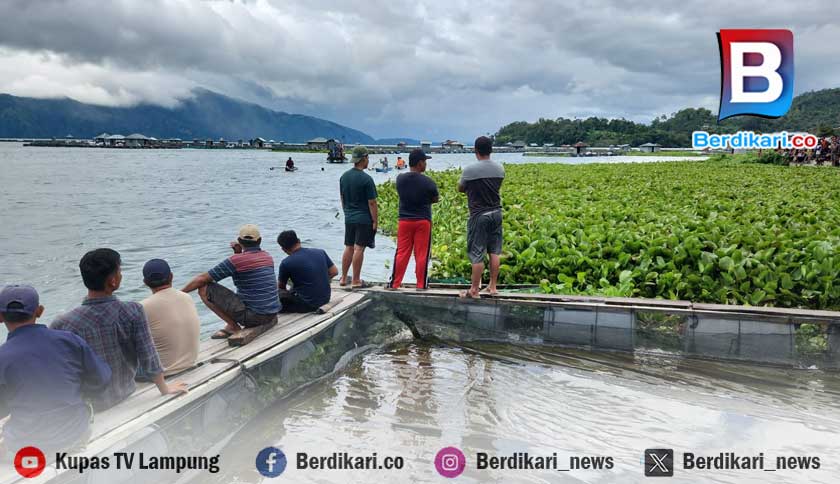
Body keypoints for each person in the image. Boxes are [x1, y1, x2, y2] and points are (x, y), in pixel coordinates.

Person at [51, 249, 187, 411]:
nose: (121, 275)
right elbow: (148, 355)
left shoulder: (64, 323)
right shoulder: (132, 311)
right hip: (124, 392)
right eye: (120, 271)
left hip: (89, 404)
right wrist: (164, 388)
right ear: (113, 281)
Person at [0, 285, 111, 459]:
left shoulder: (2, 356)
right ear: (40, 311)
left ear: (0, 317)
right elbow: (102, 379)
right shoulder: (69, 340)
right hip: (76, 433)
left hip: (26, 446)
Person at [182, 224, 281, 339]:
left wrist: (177, 293)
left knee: (204, 288)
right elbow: (247, 273)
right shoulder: (267, 257)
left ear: (239, 241)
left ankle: (233, 326)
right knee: (246, 289)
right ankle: (230, 325)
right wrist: (239, 253)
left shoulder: (235, 261)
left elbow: (202, 279)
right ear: (259, 240)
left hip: (255, 317)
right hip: (272, 312)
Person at [458, 136, 505, 299]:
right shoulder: (500, 169)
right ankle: (492, 287)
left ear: (476, 150)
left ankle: (474, 290)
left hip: (479, 214)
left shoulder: (470, 170)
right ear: (491, 150)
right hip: (496, 213)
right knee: (494, 251)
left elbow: (461, 188)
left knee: (477, 253)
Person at [386, 149, 439, 290]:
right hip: (423, 221)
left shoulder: (400, 179)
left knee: (402, 252)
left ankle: (394, 284)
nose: (426, 164)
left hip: (404, 221)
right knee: (421, 254)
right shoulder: (428, 182)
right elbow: (435, 199)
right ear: (420, 163)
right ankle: (421, 285)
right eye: (425, 161)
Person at [139, 259, 200, 377]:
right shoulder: (187, 297)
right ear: (171, 276)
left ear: (145, 282)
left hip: (162, 373)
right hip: (189, 363)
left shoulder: (142, 307)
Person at [339, 146, 378, 288]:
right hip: (363, 218)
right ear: (364, 159)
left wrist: (347, 213)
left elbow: (342, 198)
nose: (368, 160)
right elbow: (372, 203)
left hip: (349, 217)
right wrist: (375, 221)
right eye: (367, 158)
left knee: (348, 247)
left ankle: (343, 278)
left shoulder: (344, 177)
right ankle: (355, 280)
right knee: (359, 248)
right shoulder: (367, 179)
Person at [276, 230, 338, 313]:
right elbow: (334, 272)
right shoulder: (320, 252)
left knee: (276, 294)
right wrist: (320, 279)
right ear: (298, 241)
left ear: (283, 249)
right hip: (325, 299)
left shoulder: (286, 263)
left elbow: (281, 287)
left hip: (306, 305)